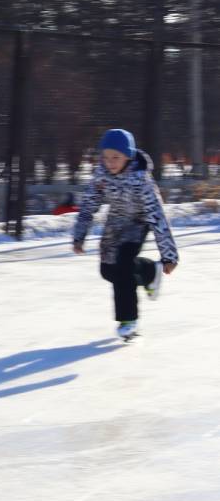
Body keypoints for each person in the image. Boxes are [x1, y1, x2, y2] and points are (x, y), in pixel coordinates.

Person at [72, 128, 177, 341]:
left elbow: (158, 217)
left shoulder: (142, 181)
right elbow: (89, 204)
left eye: (116, 157)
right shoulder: (101, 175)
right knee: (108, 271)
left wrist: (169, 255)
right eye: (106, 157)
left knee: (122, 264)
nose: (110, 162)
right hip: (115, 222)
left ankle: (128, 320)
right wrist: (79, 235)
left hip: (138, 223)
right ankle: (149, 272)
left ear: (128, 156)